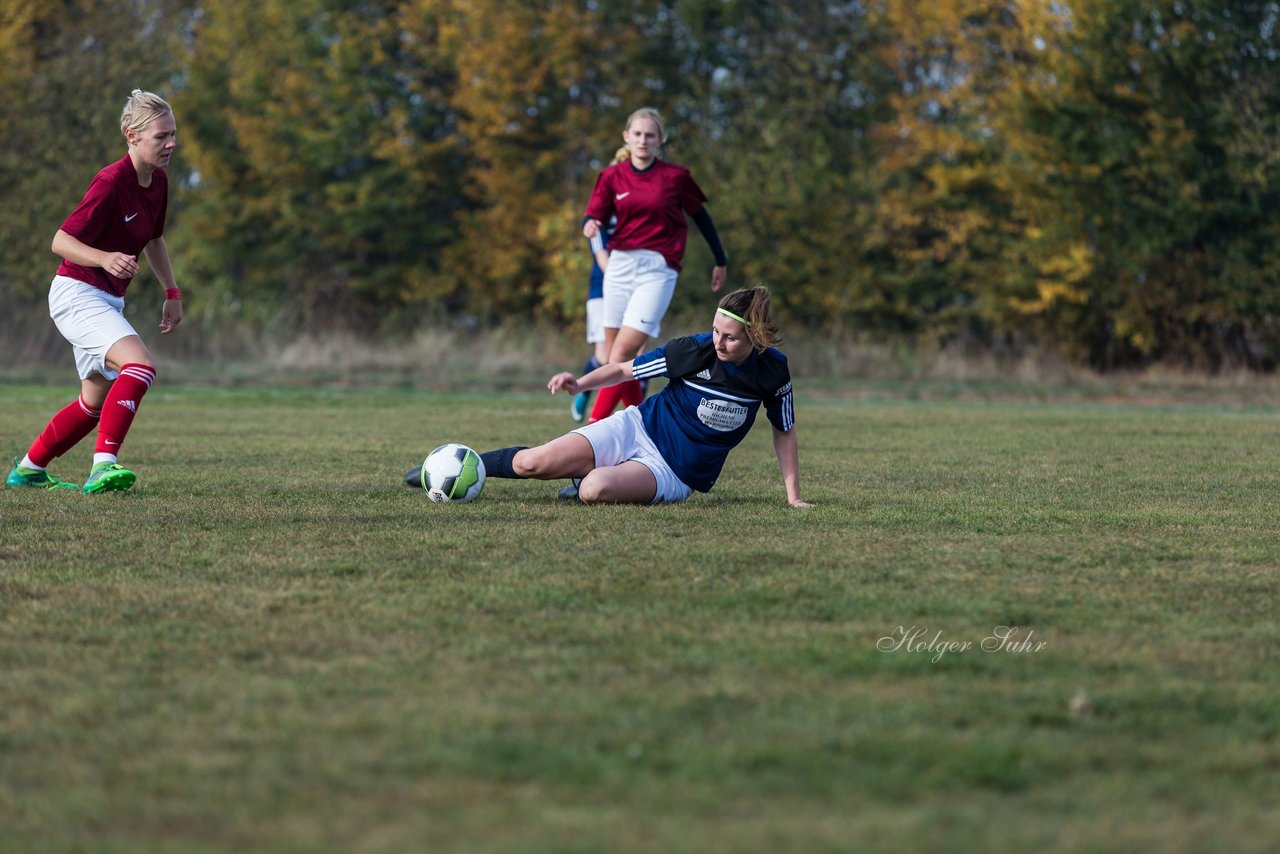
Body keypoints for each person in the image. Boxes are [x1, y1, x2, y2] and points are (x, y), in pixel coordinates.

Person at [405, 287, 813, 508]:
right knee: (533, 462)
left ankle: (587, 475)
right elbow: (622, 370)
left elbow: (785, 430)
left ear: (754, 337)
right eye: (716, 330)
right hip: (636, 427)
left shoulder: (772, 370)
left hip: (674, 472)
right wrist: (579, 384)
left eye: (730, 337)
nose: (718, 341)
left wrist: (793, 497)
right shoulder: (695, 349)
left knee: (593, 490)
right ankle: (449, 466)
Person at [5, 89, 184, 495]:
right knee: (139, 367)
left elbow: (155, 240)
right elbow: (60, 241)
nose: (171, 143)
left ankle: (29, 470)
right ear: (131, 136)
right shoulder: (110, 181)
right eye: (161, 136)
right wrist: (104, 258)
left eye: (173, 134)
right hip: (76, 293)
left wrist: (171, 292)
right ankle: (104, 466)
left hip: (106, 300)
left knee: (93, 404)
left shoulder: (158, 182)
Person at [581, 106, 728, 425]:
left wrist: (720, 259)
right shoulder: (610, 176)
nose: (643, 140)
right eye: (637, 134)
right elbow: (594, 215)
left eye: (650, 135)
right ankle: (641, 425)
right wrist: (591, 225)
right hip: (619, 266)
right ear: (626, 137)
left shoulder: (676, 177)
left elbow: (700, 216)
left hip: (657, 269)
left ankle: (593, 428)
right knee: (613, 359)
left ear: (660, 140)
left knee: (621, 356)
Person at [570, 214, 617, 422]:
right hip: (603, 292)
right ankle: (584, 389)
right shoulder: (597, 219)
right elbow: (602, 258)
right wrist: (625, 280)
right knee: (605, 358)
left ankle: (638, 417)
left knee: (636, 356)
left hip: (636, 292)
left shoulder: (640, 209)